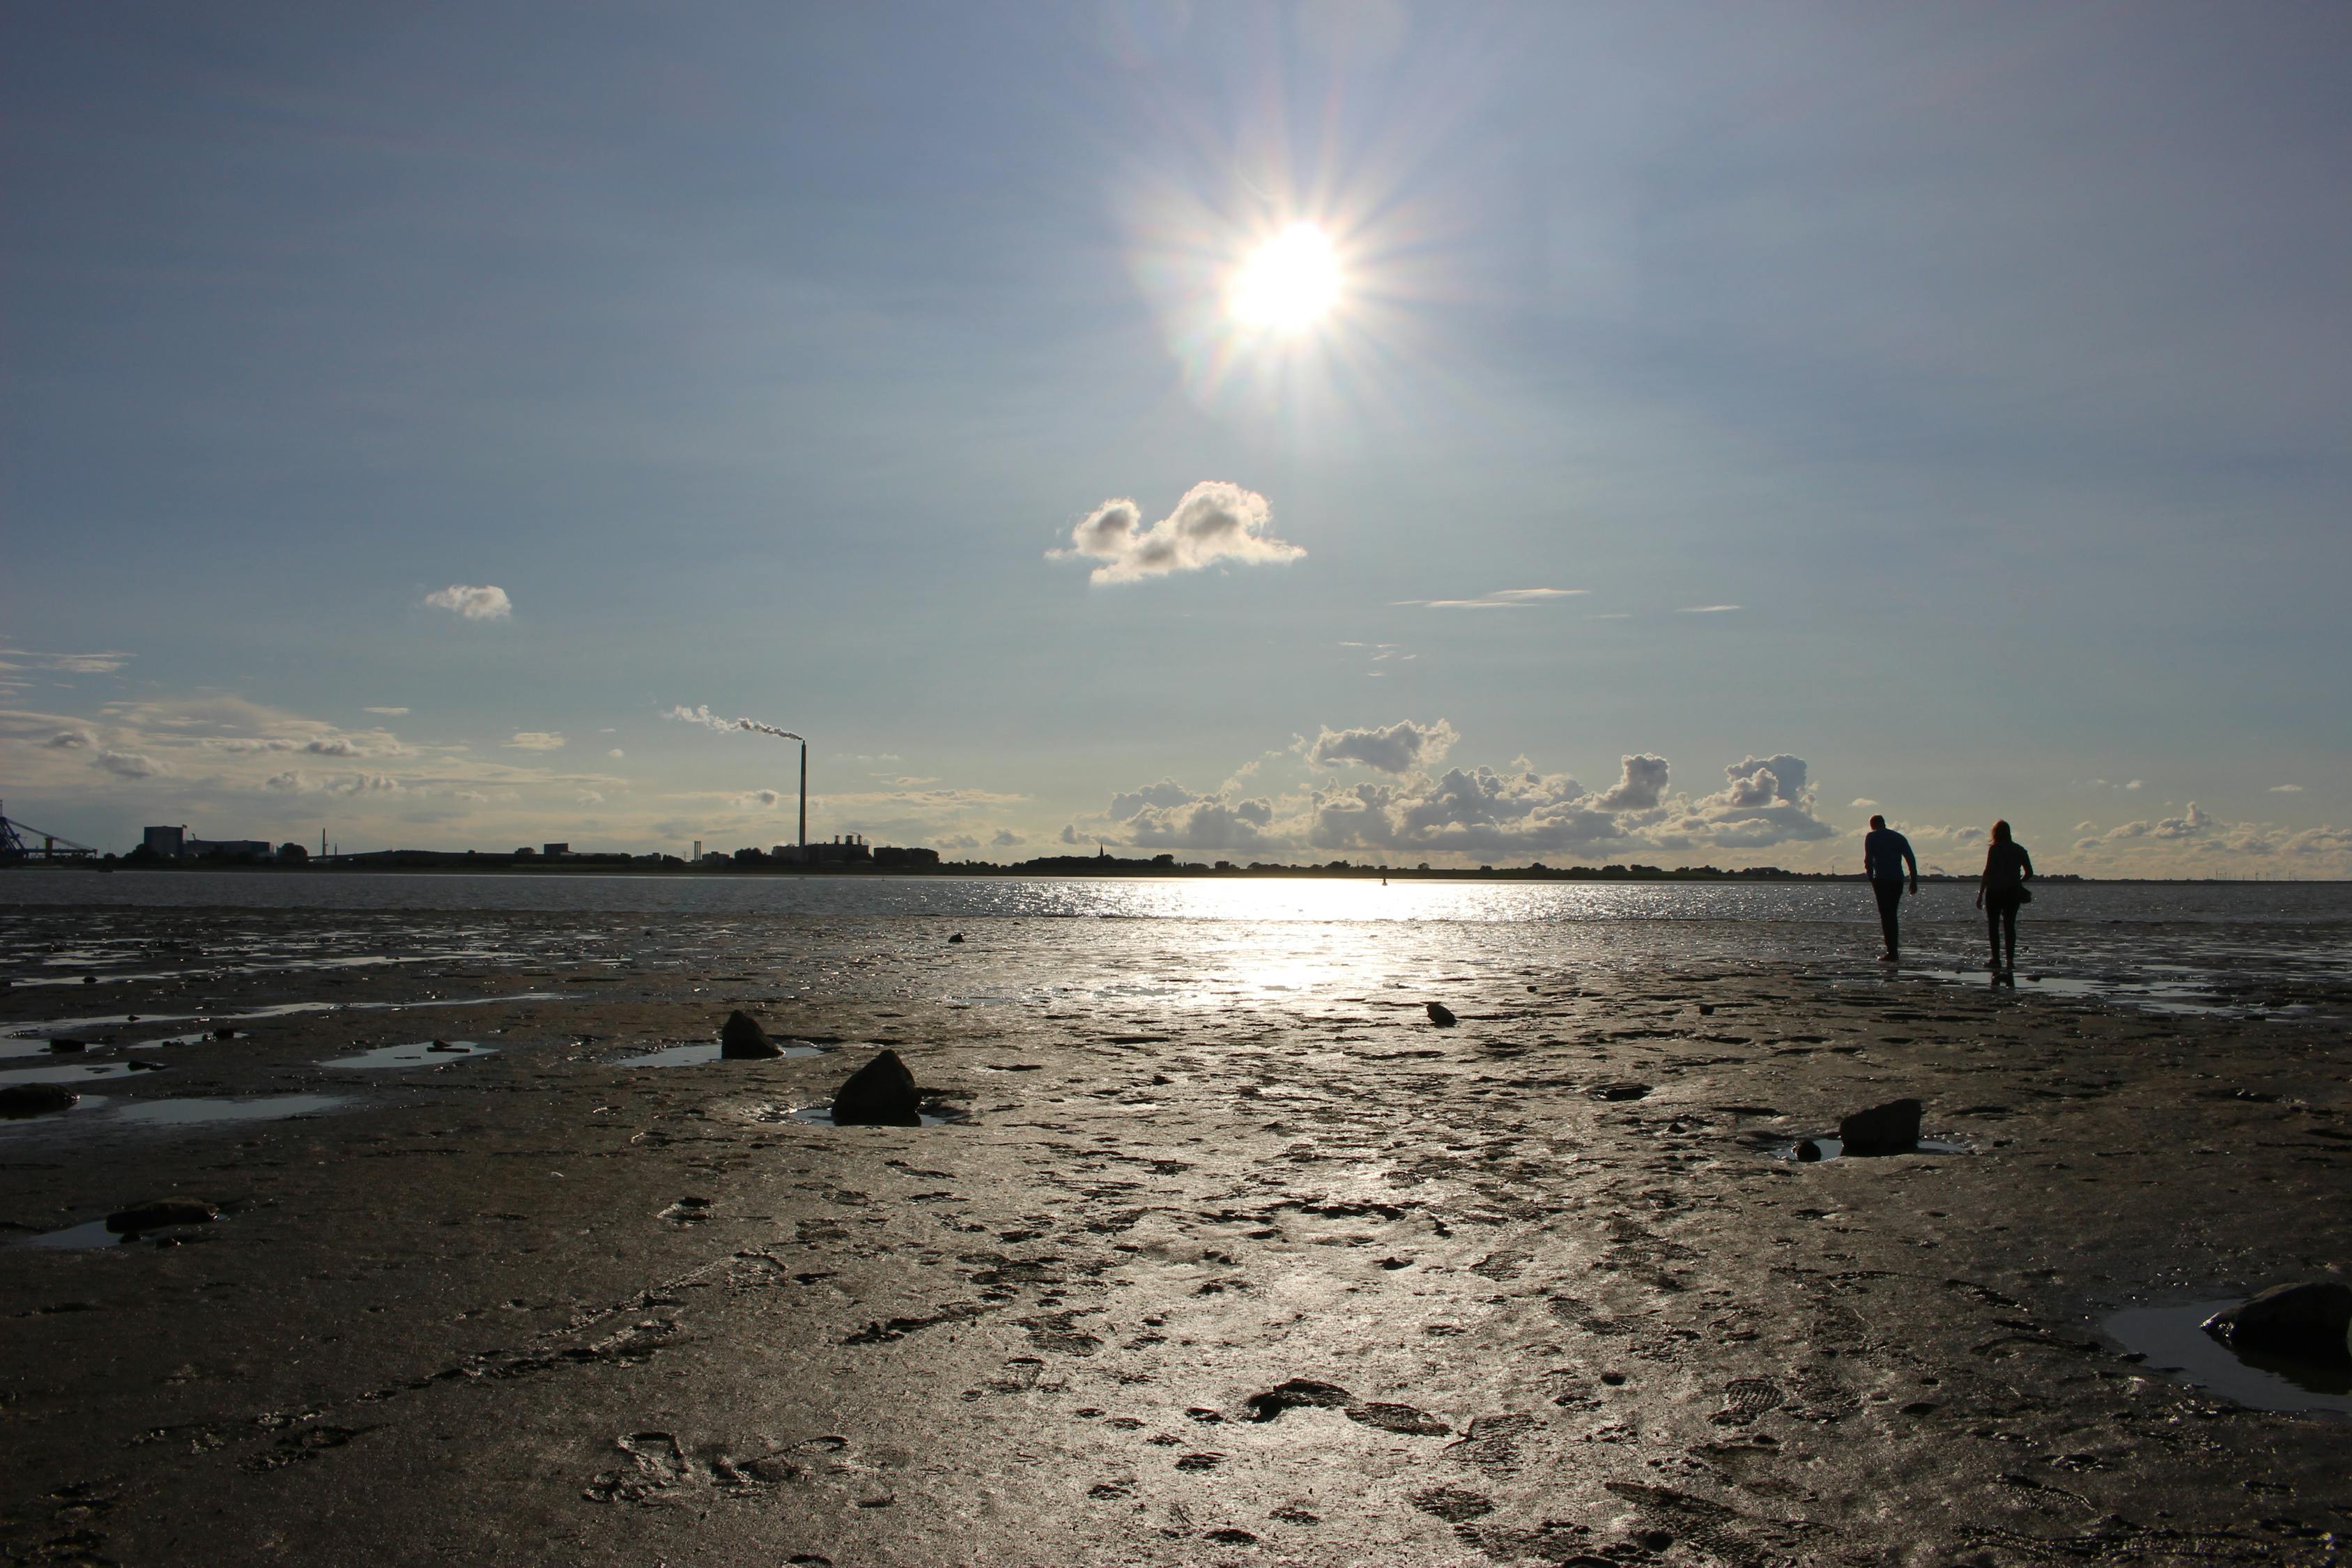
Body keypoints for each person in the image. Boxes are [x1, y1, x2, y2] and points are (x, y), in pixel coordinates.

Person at [1975, 820, 2034, 976]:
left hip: (1994, 891)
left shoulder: (1995, 849)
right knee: (2009, 926)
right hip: (2012, 892)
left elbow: (1987, 872)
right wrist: (2018, 881)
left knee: (1993, 926)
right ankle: (2010, 961)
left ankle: (1996, 959)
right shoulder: (2020, 850)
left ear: (1995, 833)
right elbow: (2030, 873)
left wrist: (1980, 894)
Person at [1862, 813, 1919, 962]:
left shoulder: (1871, 837)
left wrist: (1870, 876)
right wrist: (1914, 879)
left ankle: (1892, 951)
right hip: (1897, 879)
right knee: (1892, 914)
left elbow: (1868, 858)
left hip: (1882, 880)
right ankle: (1893, 950)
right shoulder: (1898, 837)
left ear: (1873, 825)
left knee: (1886, 915)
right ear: (1884, 823)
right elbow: (1910, 858)